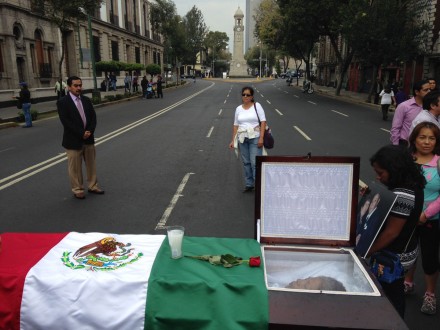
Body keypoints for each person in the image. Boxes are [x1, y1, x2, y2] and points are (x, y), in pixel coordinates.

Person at [367, 145, 426, 318]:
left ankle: (395, 321)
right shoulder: (412, 183)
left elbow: (392, 232)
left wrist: (365, 252)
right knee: (393, 291)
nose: (378, 177)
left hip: (395, 257)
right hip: (408, 249)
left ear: (394, 169)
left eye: (381, 173)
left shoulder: (403, 195)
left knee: (391, 297)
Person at [404, 122, 440, 315]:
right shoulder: (407, 161)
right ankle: (408, 283)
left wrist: (426, 214)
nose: (426, 142)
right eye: (422, 137)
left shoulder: (439, 162)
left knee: (430, 258)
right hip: (408, 217)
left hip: (431, 220)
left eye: (431, 138)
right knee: (409, 253)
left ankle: (430, 294)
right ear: (414, 139)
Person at [57, 76, 105, 199]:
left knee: (91, 164)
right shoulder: (63, 102)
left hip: (88, 139)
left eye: (80, 85)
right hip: (73, 140)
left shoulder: (86, 100)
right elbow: (66, 122)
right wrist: (81, 133)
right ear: (69, 87)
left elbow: (93, 118)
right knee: (75, 167)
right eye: (76, 85)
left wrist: (89, 131)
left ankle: (93, 186)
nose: (79, 88)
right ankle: (77, 189)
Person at [229, 86, 266, 192]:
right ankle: (249, 184)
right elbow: (236, 125)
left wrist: (261, 138)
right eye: (243, 94)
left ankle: (258, 184)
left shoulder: (257, 106)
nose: (245, 96)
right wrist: (233, 140)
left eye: (248, 95)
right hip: (242, 139)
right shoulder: (238, 109)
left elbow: (263, 122)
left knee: (255, 163)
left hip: (255, 137)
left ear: (252, 96)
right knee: (246, 163)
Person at [390, 79, 430, 146]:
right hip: (406, 144)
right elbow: (395, 128)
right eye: (426, 90)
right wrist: (396, 146)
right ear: (417, 92)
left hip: (424, 145)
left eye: (430, 90)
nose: (429, 92)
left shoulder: (431, 107)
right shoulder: (404, 106)